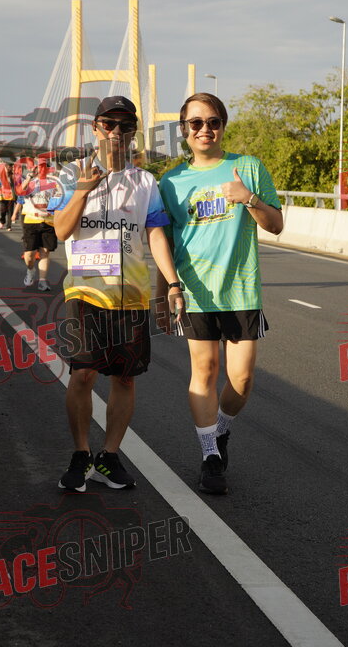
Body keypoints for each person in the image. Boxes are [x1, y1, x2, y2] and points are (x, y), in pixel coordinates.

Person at [49, 96, 184, 492]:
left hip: (131, 294)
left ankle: (109, 456)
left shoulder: (145, 182)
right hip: (85, 291)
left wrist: (172, 284)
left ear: (133, 132)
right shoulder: (70, 173)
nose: (116, 132)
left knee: (124, 379)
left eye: (125, 126)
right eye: (109, 124)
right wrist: (81, 191)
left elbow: (155, 235)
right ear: (95, 128)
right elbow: (61, 230)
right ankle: (80, 454)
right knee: (83, 374)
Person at [158, 93, 283, 494]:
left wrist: (249, 199)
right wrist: (165, 293)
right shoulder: (171, 182)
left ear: (223, 126)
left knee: (242, 379)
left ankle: (221, 430)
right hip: (195, 291)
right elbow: (164, 242)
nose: (205, 129)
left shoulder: (247, 167)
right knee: (205, 371)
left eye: (213, 122)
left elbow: (276, 225)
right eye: (195, 123)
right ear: (183, 130)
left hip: (241, 290)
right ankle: (210, 455)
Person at [12, 158, 58, 291]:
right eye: (39, 166)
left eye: (44, 166)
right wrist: (29, 177)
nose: (42, 169)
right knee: (29, 255)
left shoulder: (54, 183)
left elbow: (59, 201)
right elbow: (20, 192)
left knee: (45, 252)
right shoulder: (31, 182)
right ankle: (30, 269)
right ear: (35, 168)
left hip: (48, 221)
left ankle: (42, 281)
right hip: (31, 221)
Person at [0, 163, 16, 230]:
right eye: (9, 167)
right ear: (6, 167)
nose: (10, 168)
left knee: (10, 211)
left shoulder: (13, 175)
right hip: (3, 196)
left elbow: (15, 185)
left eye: (11, 167)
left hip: (11, 196)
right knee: (3, 211)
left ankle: (9, 226)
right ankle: (2, 221)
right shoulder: (1, 175)